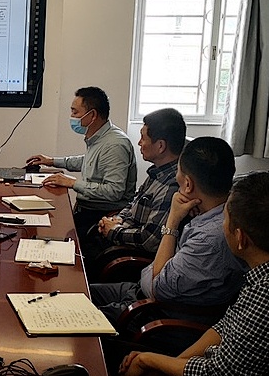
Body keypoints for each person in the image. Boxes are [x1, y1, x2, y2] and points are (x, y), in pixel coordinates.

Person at [117, 172, 269, 376]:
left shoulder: (265, 296)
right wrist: (168, 366)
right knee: (113, 354)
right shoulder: (259, 276)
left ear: (240, 238)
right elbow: (223, 327)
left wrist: (151, 362)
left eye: (225, 219)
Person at [90, 137, 245, 335]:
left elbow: (157, 288)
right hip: (139, 292)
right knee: (77, 293)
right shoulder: (217, 213)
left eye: (177, 174)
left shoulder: (208, 239)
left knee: (74, 318)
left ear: (187, 184)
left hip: (155, 315)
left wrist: (172, 221)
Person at [82, 108, 186, 278]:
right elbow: (133, 203)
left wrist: (113, 231)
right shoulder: (157, 173)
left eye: (143, 138)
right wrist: (117, 219)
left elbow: (149, 239)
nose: (139, 143)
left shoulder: (172, 185)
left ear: (160, 146)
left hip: (128, 254)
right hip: (120, 236)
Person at [26, 86, 136, 241]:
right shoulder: (101, 137)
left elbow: (113, 191)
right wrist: (52, 161)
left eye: (75, 112)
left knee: (49, 232)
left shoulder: (115, 144)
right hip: (87, 210)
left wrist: (72, 183)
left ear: (92, 115)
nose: (71, 117)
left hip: (101, 217)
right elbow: (89, 162)